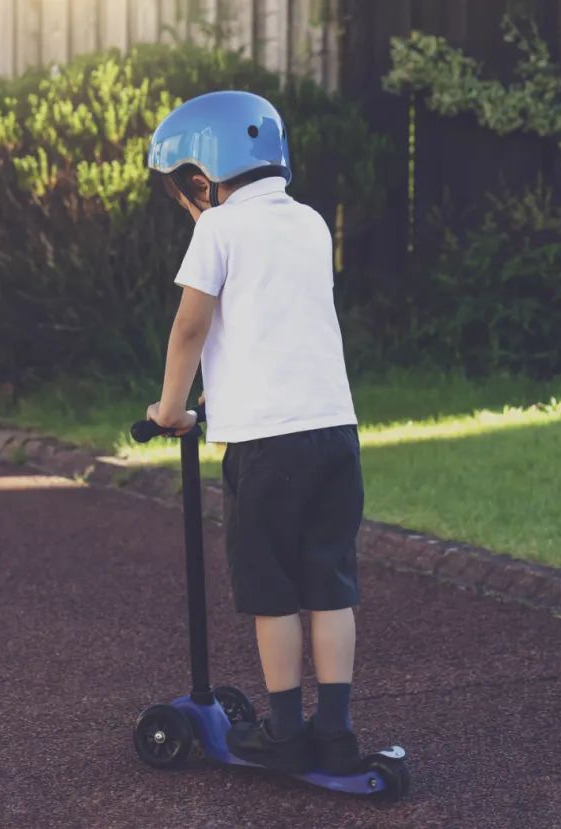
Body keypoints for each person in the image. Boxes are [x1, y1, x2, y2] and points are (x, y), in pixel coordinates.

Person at [143, 90, 364, 775]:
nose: (185, 204)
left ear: (202, 179)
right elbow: (278, 322)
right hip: (333, 431)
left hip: (266, 448)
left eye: (181, 190)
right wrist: (228, 381)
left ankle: (285, 731)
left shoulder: (218, 228)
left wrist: (171, 407)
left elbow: (191, 324)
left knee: (270, 586)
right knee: (329, 583)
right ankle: (336, 730)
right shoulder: (310, 224)